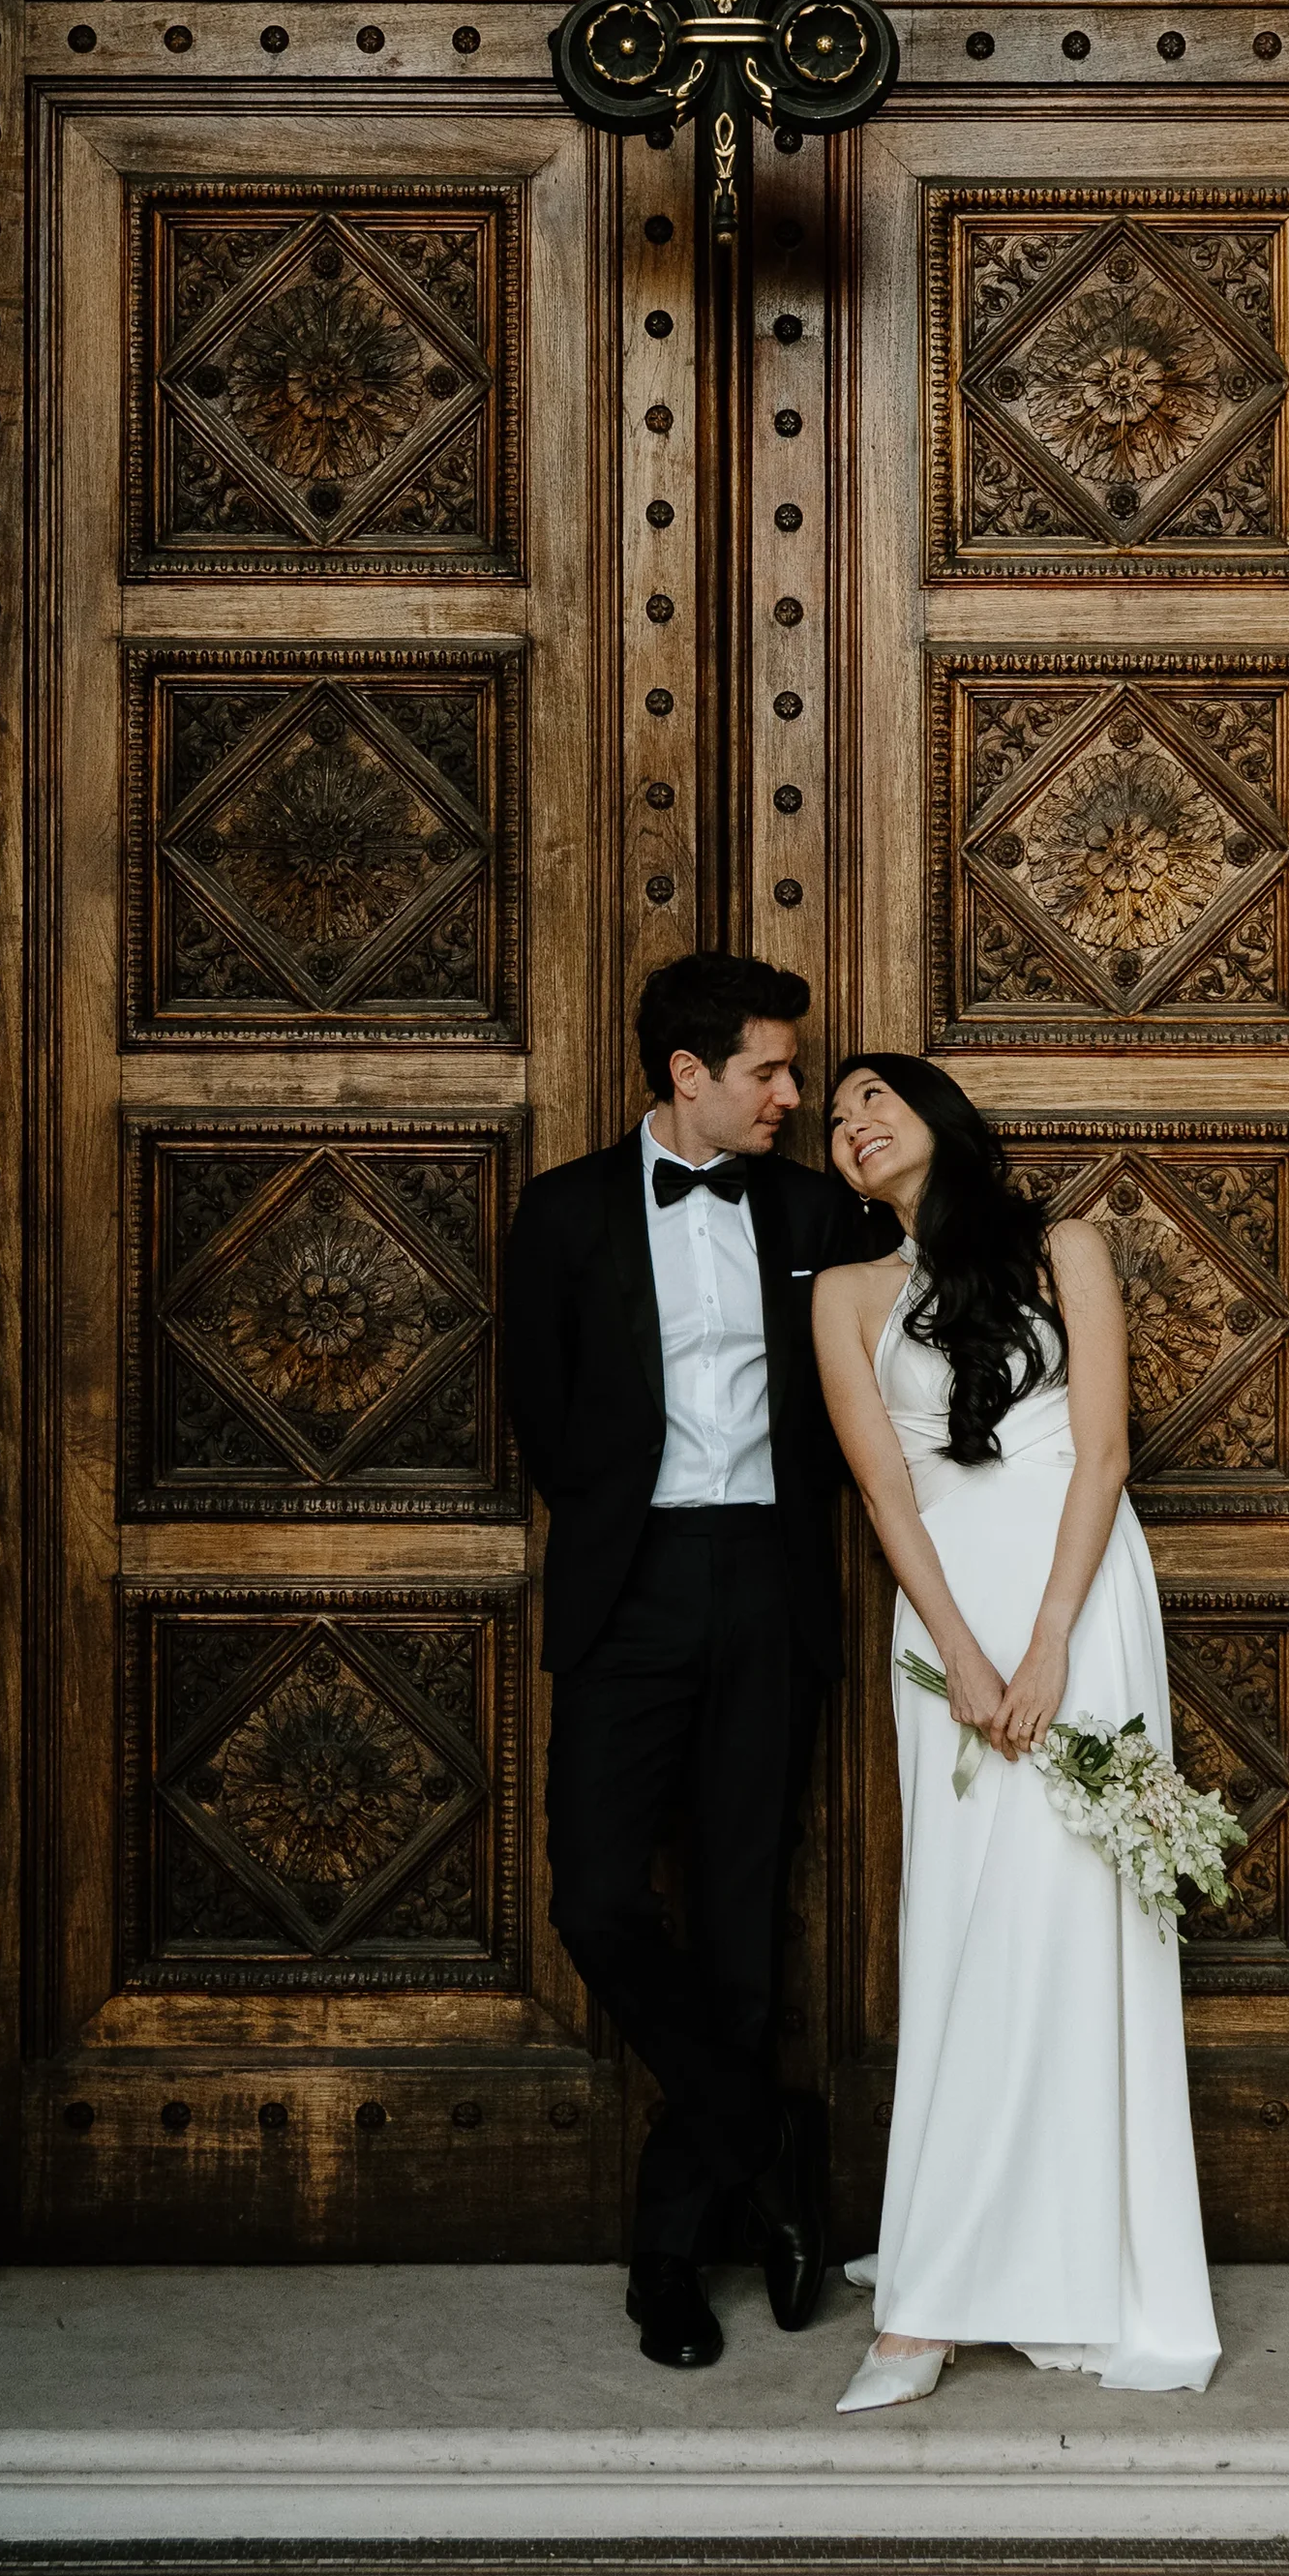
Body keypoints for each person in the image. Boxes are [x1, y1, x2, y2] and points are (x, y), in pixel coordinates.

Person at [502, 951, 896, 2370]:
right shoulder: (563, 1213)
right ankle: (762, 2133)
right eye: (768, 1071)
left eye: (790, 1071)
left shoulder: (812, 1212)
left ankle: (667, 2256)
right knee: (598, 1897)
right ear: (689, 1074)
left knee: (739, 1920)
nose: (792, 1094)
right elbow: (544, 1416)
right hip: (635, 1585)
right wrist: (632, 1524)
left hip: (771, 1582)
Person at [813, 1052, 1219, 2410]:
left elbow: (1101, 1453)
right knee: (963, 1918)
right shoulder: (844, 1293)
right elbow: (887, 1493)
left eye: (873, 1098)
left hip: (1080, 1599)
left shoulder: (1065, 1248)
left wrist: (1048, 1641)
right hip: (947, 1615)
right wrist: (964, 1653)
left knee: (1073, 1912)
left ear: (935, 1114)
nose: (851, 1124)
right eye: (834, 1118)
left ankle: (1076, 2254)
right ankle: (933, 2288)